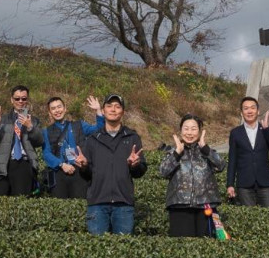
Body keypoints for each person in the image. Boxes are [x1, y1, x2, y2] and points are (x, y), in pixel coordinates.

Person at [73, 93, 147, 235]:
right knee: (96, 251)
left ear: (123, 112)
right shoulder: (93, 139)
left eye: (117, 106)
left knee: (123, 249)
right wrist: (83, 166)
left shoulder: (132, 137)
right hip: (97, 203)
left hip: (123, 203)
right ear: (103, 110)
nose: (113, 109)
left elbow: (140, 171)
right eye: (109, 106)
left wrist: (135, 165)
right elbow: (87, 174)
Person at [158, 114, 225, 237]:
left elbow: (220, 165)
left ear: (200, 132)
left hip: (205, 205)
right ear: (181, 130)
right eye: (186, 128)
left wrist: (205, 148)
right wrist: (177, 153)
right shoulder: (173, 152)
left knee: (205, 246)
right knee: (182, 248)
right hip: (179, 205)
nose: (189, 132)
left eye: (193, 129)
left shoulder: (206, 151)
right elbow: (163, 171)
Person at [0, 85, 44, 196]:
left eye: (24, 98)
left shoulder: (34, 120)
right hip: (3, 165)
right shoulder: (2, 118)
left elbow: (39, 142)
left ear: (27, 100)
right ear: (12, 100)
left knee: (21, 202)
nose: (20, 101)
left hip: (24, 164)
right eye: (17, 98)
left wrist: (30, 127)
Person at [41, 95, 104, 199]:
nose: (57, 110)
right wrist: (61, 165)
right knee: (59, 206)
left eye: (59, 107)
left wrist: (98, 111)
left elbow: (99, 130)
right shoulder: (46, 131)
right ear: (49, 113)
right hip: (59, 172)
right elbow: (46, 153)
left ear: (65, 108)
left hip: (79, 171)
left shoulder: (79, 125)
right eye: (53, 108)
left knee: (79, 205)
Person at [225, 96, 269, 207]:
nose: (249, 111)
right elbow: (232, 160)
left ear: (258, 111)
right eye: (246, 108)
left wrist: (267, 130)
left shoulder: (265, 129)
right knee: (248, 218)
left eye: (252, 108)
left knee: (268, 217)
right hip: (244, 184)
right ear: (241, 113)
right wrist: (230, 184)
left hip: (264, 182)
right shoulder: (235, 133)